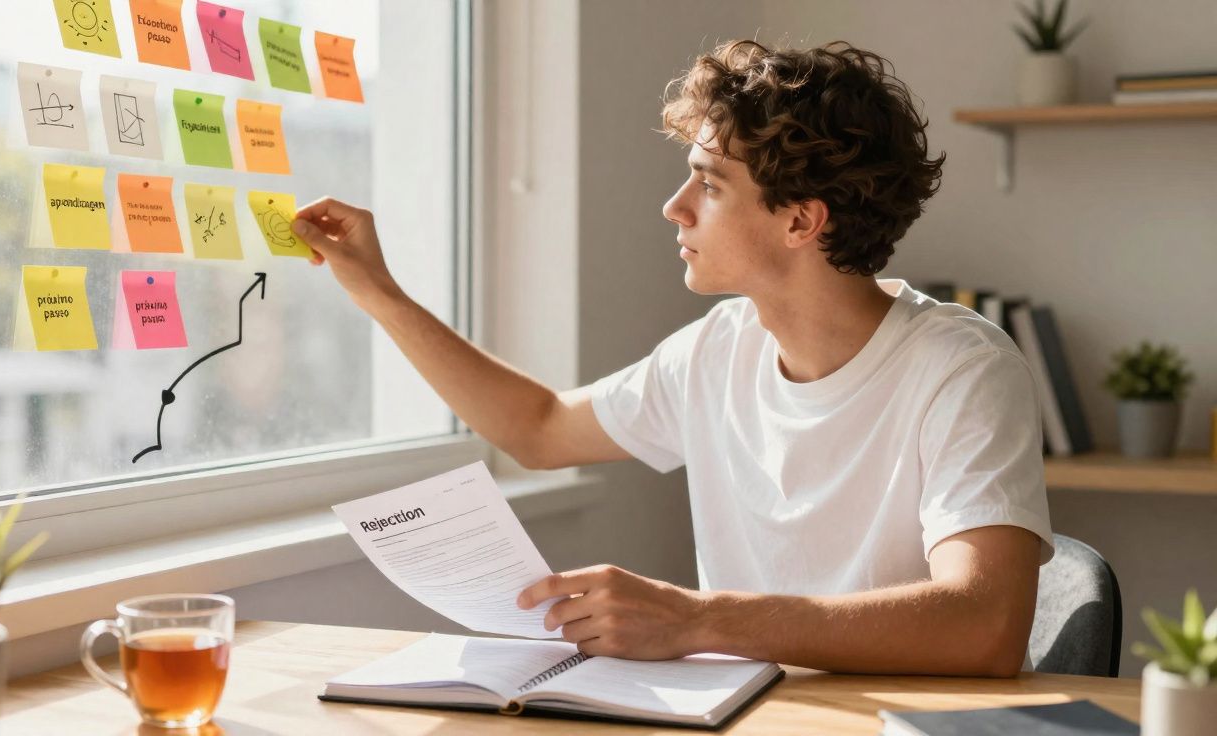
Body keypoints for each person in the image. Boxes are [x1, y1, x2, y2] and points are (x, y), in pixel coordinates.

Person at [292, 39, 1052, 677]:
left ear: (800, 221)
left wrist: (697, 619)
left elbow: (985, 627)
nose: (674, 206)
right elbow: (539, 428)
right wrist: (380, 294)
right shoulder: (719, 348)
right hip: (749, 718)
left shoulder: (962, 368)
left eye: (709, 184)